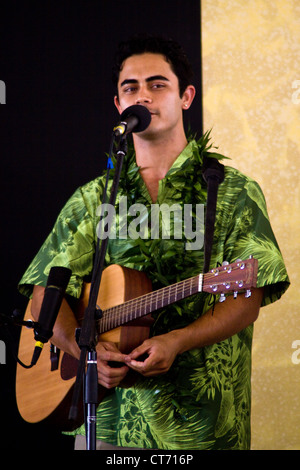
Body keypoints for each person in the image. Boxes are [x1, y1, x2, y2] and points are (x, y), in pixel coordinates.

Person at [18, 34, 289, 450]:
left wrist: (177, 340)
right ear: (118, 106)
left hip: (203, 425)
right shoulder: (94, 198)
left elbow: (245, 298)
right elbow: (44, 294)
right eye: (131, 87)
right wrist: (84, 353)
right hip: (108, 423)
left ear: (186, 96)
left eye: (157, 84)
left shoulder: (234, 192)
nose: (142, 95)